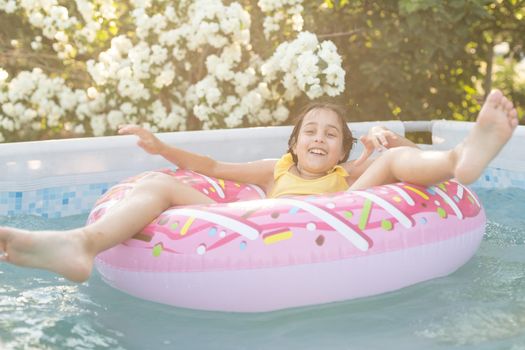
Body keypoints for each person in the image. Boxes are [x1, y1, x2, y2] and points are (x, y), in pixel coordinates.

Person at [0, 89, 519, 282]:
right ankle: (80, 245)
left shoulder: (348, 176)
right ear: (294, 144)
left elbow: (388, 162)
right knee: (159, 184)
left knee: (398, 158)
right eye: (310, 131)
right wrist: (161, 149)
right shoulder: (274, 170)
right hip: (251, 228)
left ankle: (461, 157)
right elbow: (210, 166)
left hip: (342, 217)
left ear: (341, 149)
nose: (320, 138)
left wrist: (377, 148)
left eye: (331, 134)